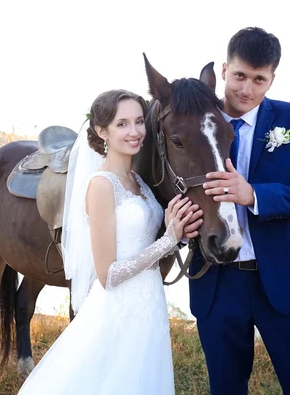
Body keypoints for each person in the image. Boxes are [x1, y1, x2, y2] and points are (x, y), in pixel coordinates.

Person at [18, 89, 199, 394]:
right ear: (102, 131)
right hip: (119, 309)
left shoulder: (138, 182)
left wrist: (170, 225)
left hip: (148, 303)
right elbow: (108, 275)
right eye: (122, 124)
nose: (135, 131)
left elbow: (140, 241)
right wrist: (169, 240)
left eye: (139, 122)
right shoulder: (102, 185)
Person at [188, 27, 290, 394]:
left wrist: (254, 194)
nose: (247, 89)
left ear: (272, 79)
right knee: (226, 389)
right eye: (240, 75)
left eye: (259, 79)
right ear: (224, 70)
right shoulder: (194, 122)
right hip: (218, 282)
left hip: (284, 280)